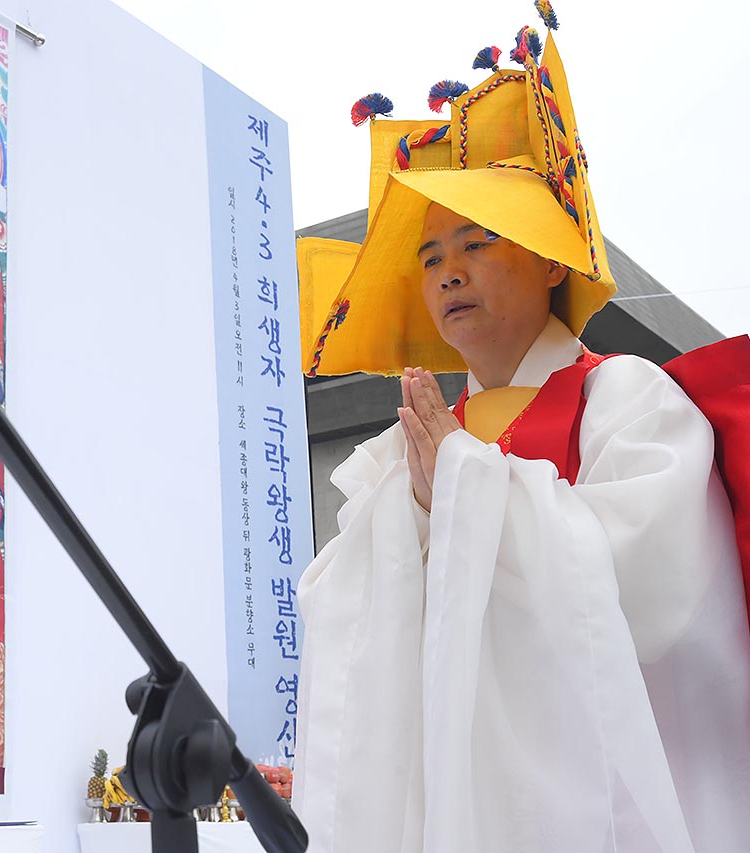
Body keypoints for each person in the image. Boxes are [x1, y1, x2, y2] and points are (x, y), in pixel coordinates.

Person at [292, 21, 750, 853]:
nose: (449, 272)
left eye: (478, 241)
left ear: (550, 261)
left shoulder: (626, 397)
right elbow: (345, 626)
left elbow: (662, 592)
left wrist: (466, 497)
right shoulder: (406, 450)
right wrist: (420, 519)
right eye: (430, 258)